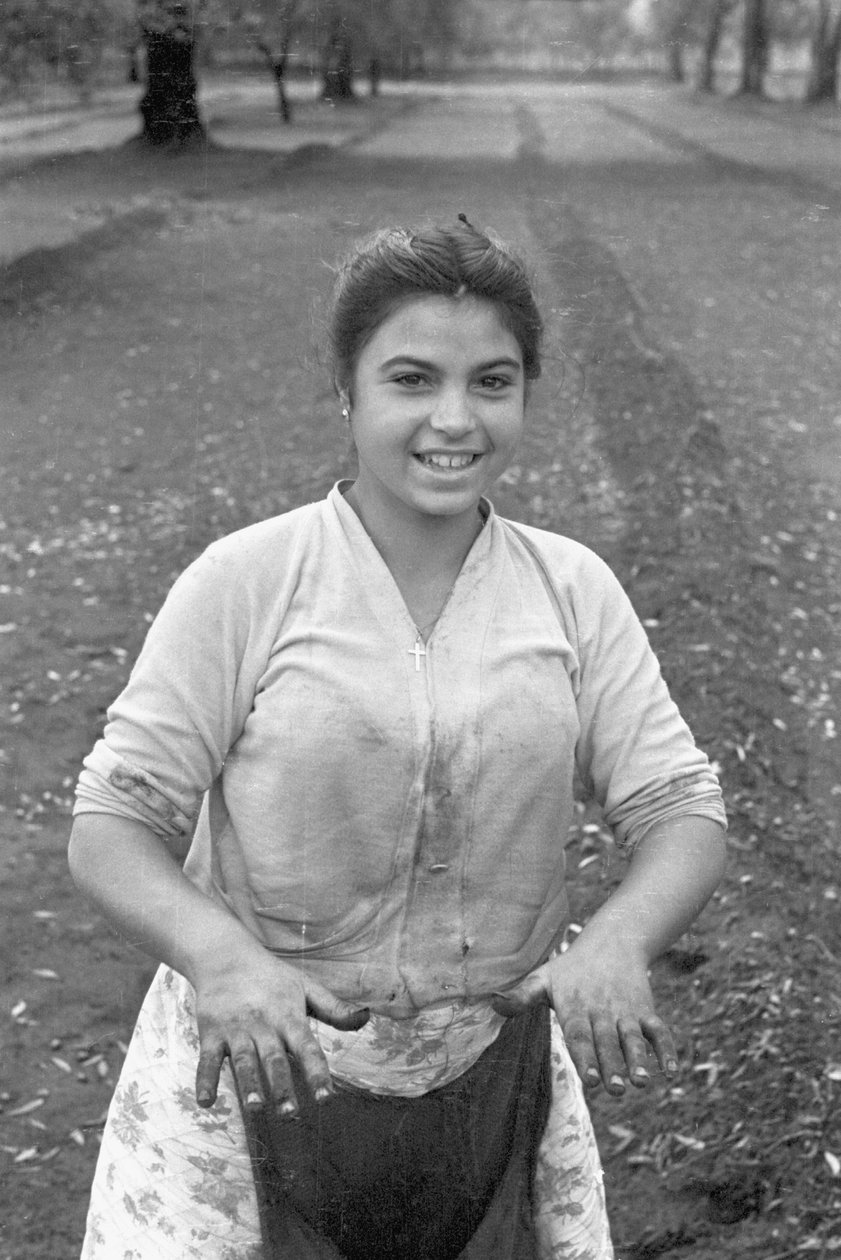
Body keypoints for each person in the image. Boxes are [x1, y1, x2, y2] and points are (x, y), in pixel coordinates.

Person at [68, 217, 727, 1260]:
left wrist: (616, 940)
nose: (454, 420)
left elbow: (679, 807)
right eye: (412, 380)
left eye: (493, 383)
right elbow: (111, 823)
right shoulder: (245, 584)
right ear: (350, 393)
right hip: (255, 1067)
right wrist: (222, 959)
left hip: (486, 1075)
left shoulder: (570, 593)